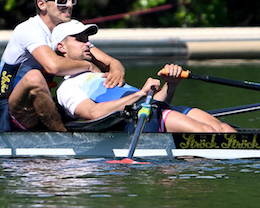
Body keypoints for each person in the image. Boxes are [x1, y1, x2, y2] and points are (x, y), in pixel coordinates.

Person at [53, 19, 236, 133]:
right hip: (136, 122)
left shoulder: (102, 75)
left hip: (153, 110)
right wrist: (139, 94)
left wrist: (171, 85)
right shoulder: (68, 88)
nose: (88, 44)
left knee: (224, 129)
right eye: (80, 39)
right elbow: (93, 113)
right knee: (206, 132)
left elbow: (155, 100)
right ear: (61, 47)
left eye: (88, 38)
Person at [0, 0, 126, 131]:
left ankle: (116, 119)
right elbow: (54, 67)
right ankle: (62, 136)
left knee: (88, 68)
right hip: (13, 107)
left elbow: (109, 62)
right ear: (42, 4)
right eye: (62, 0)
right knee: (34, 77)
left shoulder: (68, 29)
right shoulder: (28, 29)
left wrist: (117, 70)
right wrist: (88, 66)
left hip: (44, 102)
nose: (70, 5)